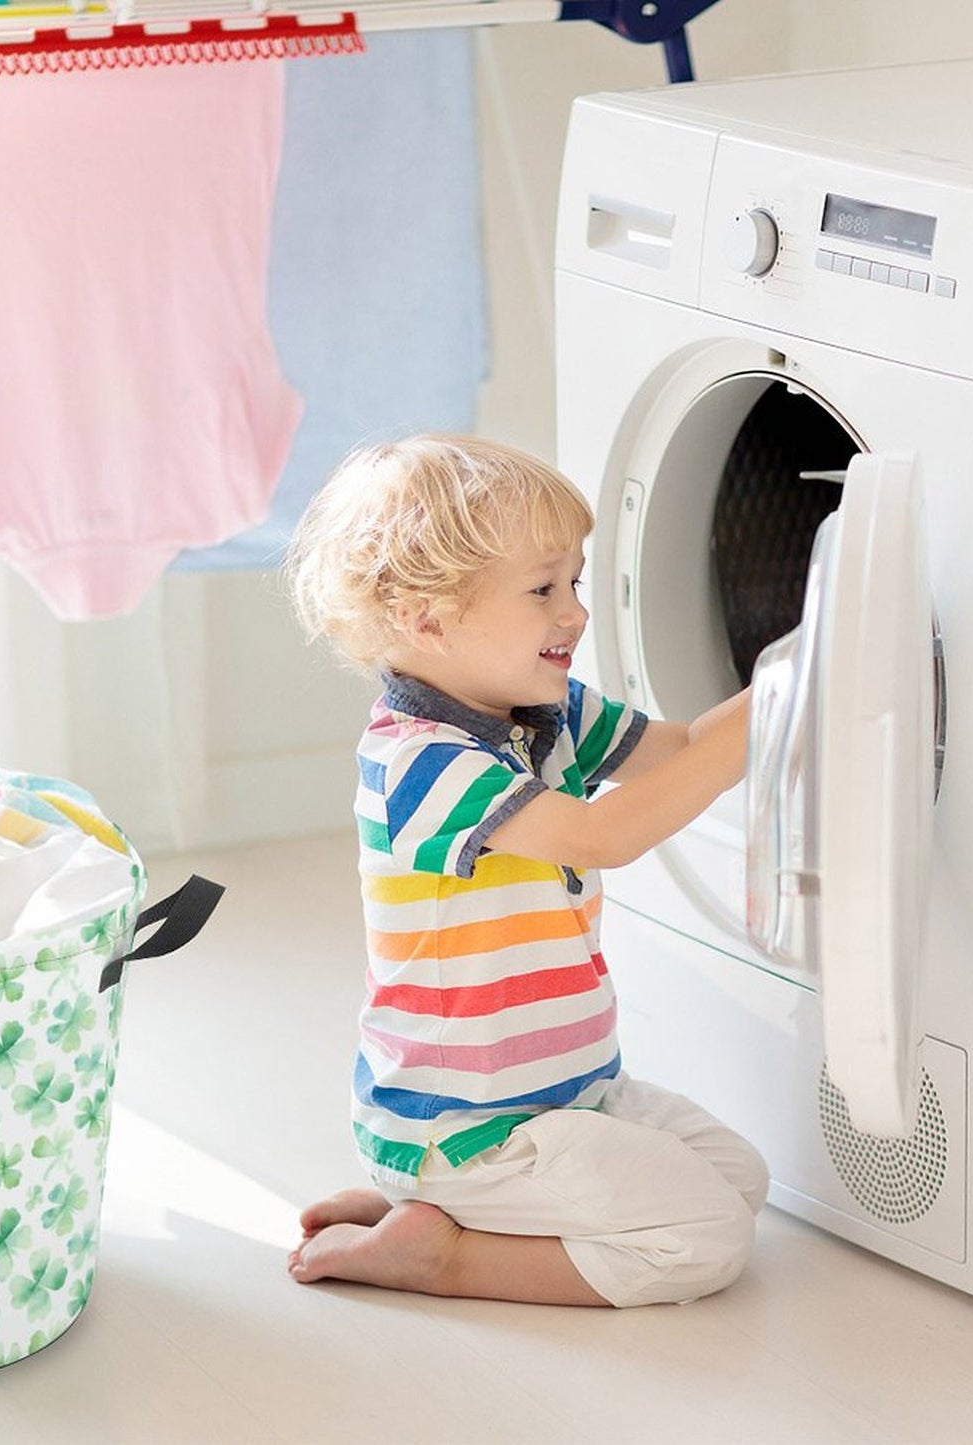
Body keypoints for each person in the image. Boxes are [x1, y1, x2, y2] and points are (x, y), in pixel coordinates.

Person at [283, 433, 767, 1309]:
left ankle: (434, 1209)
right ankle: (440, 1252)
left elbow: (679, 751)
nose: (574, 612)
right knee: (706, 1239)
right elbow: (597, 835)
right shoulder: (419, 762)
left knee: (742, 1180)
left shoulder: (544, 712)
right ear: (425, 619)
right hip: (468, 1122)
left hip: (573, 1089)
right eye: (543, 588)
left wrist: (787, 677)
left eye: (573, 581)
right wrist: (771, 709)